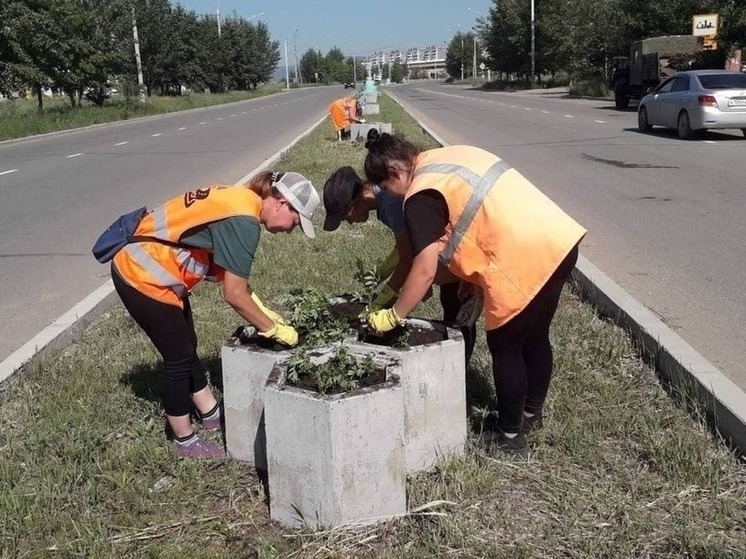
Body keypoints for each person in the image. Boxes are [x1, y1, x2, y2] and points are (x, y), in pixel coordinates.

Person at [362, 130, 586, 459]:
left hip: (522, 256)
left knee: (506, 345)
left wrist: (395, 315)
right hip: (558, 241)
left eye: (387, 188)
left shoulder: (420, 194)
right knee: (536, 336)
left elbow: (423, 270)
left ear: (395, 172)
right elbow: (474, 218)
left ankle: (511, 438)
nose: (391, 197)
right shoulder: (446, 158)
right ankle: (530, 415)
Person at [107, 171, 320, 458]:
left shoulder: (242, 200)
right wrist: (273, 329)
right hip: (141, 273)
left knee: (186, 344)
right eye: (295, 222)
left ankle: (209, 412)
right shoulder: (245, 222)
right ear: (282, 203)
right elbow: (234, 294)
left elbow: (231, 279)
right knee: (178, 358)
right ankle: (184, 441)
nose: (290, 229)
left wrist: (267, 313)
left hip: (156, 269)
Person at [322, 166, 479, 363]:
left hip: (459, 248)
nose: (350, 223)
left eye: (346, 218)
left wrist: (384, 297)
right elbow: (406, 243)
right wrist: (383, 271)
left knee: (458, 312)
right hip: (446, 246)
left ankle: (459, 367)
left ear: (355, 203)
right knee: (451, 305)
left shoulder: (389, 203)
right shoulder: (383, 195)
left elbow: (407, 261)